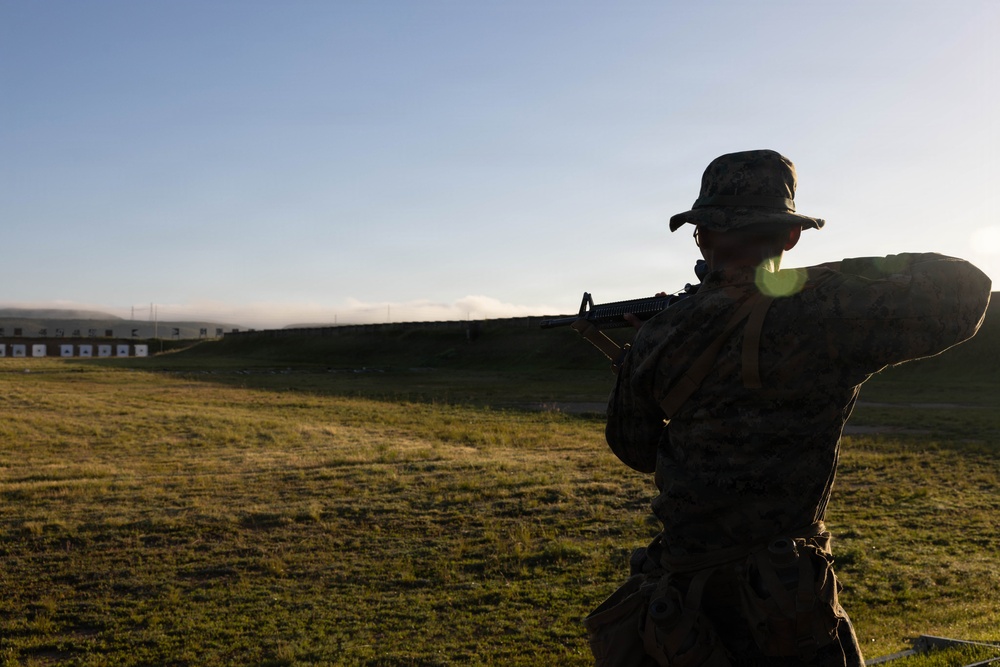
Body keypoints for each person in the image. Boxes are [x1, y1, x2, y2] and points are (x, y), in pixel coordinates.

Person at [584, 149, 992, 667]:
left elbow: (635, 448)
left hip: (682, 597)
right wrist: (831, 275)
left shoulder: (663, 332)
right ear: (791, 235)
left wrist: (640, 359)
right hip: (786, 597)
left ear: (702, 234)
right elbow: (965, 287)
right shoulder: (826, 310)